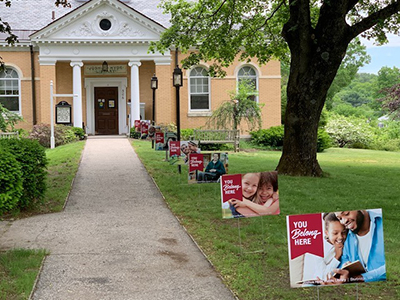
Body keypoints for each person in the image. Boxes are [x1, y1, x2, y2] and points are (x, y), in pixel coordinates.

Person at [320, 210, 386, 284]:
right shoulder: (347, 238)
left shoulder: (383, 223)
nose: (344, 221)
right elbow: (344, 262)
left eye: (346, 213)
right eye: (340, 218)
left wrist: (361, 278)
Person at [312, 213, 347, 280]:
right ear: (327, 233)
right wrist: (337, 256)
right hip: (316, 281)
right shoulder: (318, 248)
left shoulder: (346, 243)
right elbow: (324, 276)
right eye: (335, 233)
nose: (340, 237)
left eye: (343, 232)